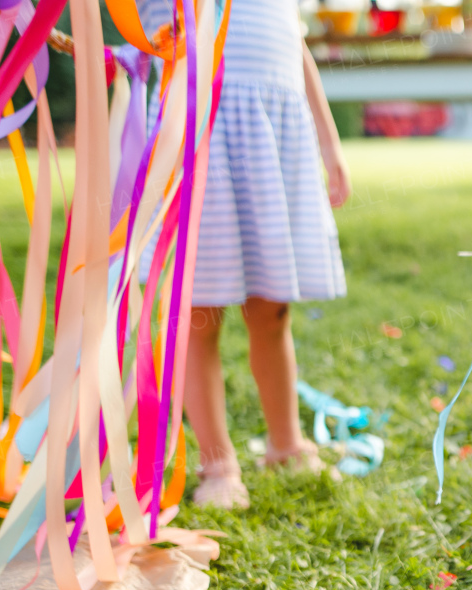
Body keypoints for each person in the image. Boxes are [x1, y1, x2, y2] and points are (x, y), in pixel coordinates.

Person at [139, 0, 352, 509]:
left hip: (273, 135)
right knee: (199, 310)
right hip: (197, 131)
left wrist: (330, 143)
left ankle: (286, 443)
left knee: (272, 305)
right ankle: (218, 464)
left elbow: (296, 47)